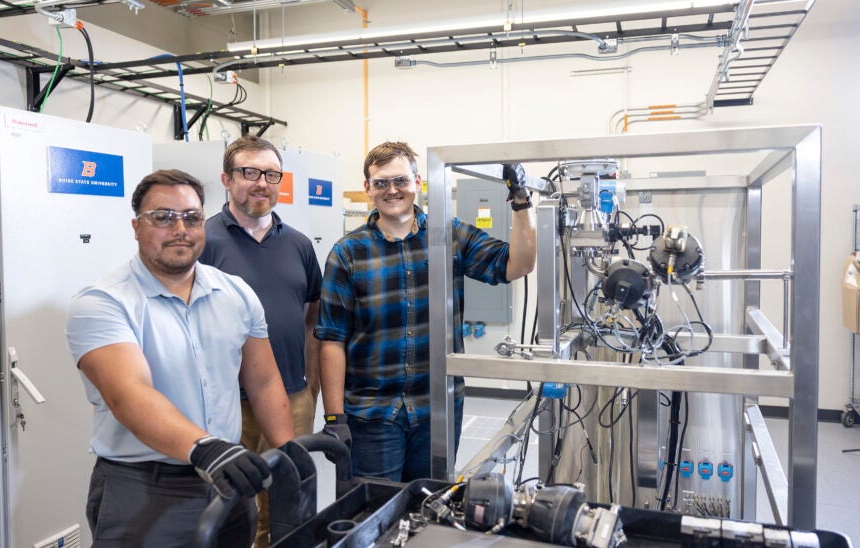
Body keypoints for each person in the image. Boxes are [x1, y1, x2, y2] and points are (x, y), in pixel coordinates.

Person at [66, 169, 295, 547]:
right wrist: (205, 448)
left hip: (229, 483)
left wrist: (288, 455)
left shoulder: (235, 292)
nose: (180, 229)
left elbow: (264, 382)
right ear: (136, 226)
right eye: (163, 217)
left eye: (191, 217)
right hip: (144, 489)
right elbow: (130, 394)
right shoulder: (102, 302)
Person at [314, 141, 536, 481]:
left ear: (418, 183)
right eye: (381, 182)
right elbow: (332, 340)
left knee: (430, 510)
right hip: (372, 414)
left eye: (401, 180)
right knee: (373, 515)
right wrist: (334, 418)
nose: (392, 190)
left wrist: (521, 202)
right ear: (368, 188)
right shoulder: (348, 252)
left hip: (437, 409)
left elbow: (518, 264)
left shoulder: (450, 236)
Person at [200, 135, 322, 548]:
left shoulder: (300, 245)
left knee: (288, 504)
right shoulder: (202, 242)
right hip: (225, 401)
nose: (261, 183)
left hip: (291, 395)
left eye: (271, 174)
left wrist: (311, 389)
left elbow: (311, 322)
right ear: (226, 179)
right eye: (249, 172)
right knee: (229, 507)